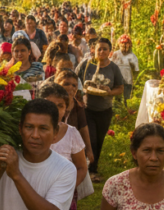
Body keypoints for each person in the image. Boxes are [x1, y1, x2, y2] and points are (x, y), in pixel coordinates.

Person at [76, 38, 125, 183]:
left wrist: (109, 92)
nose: (102, 51)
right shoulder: (86, 65)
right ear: (93, 50)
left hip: (105, 110)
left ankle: (92, 167)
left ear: (110, 51)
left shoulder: (113, 68)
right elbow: (75, 79)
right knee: (91, 139)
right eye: (99, 49)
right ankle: (89, 170)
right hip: (87, 109)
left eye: (105, 49)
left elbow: (120, 88)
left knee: (100, 139)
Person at [54, 69, 92, 164]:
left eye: (74, 85)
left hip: (71, 150)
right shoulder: (50, 104)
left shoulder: (78, 106)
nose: (71, 87)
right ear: (57, 84)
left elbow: (83, 128)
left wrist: (89, 150)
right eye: (66, 84)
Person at [112, 34, 140, 104]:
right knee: (117, 98)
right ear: (119, 45)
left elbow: (136, 70)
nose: (124, 47)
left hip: (128, 80)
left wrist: (135, 82)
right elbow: (109, 65)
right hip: (117, 80)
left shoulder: (132, 56)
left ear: (129, 45)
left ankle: (126, 110)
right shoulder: (115, 54)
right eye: (122, 45)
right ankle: (117, 110)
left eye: (126, 45)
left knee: (126, 98)